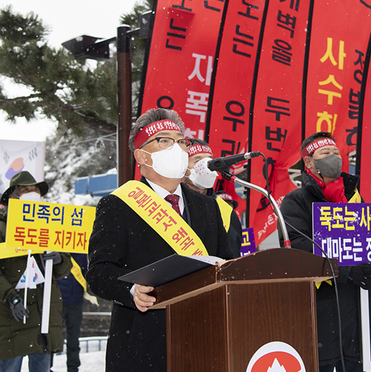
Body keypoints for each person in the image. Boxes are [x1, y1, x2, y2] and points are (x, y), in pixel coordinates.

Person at [86, 108, 239, 372]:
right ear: (142, 156)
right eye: (165, 140)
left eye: (181, 141)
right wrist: (130, 291)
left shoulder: (208, 207)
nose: (177, 148)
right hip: (143, 344)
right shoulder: (118, 205)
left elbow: (226, 264)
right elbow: (98, 272)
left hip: (203, 339)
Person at [279, 132, 371, 372]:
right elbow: (300, 248)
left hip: (361, 312)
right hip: (323, 313)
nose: (334, 158)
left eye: (336, 153)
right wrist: (349, 269)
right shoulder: (295, 201)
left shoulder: (356, 199)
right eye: (325, 153)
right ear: (308, 162)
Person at [0, 171, 72, 372]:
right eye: (25, 189)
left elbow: (64, 268)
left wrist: (59, 259)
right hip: (12, 316)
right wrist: (11, 297)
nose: (32, 193)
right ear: (12, 196)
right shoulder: (1, 226)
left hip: (44, 316)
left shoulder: (50, 224)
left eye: (35, 190)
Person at [182, 138, 242, 256]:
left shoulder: (225, 210)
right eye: (198, 161)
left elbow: (232, 255)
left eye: (209, 161)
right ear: (182, 166)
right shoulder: (172, 202)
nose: (206, 167)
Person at [55, 253, 88, 372]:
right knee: (53, 337)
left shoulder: (82, 253)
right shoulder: (58, 250)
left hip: (76, 302)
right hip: (58, 301)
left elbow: (85, 274)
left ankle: (73, 367)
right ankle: (47, 366)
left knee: (74, 339)